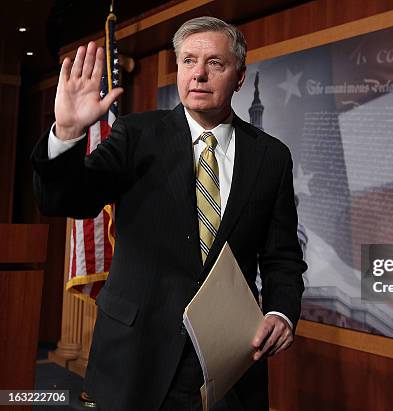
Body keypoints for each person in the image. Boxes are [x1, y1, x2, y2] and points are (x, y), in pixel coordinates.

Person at [31, 16, 306, 411]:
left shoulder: (272, 157)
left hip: (227, 364)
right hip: (134, 359)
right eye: (188, 61)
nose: (199, 74)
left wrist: (281, 311)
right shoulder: (136, 134)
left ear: (240, 76)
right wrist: (67, 134)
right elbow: (66, 200)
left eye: (215, 63)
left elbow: (282, 257)